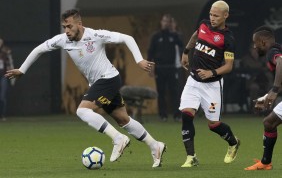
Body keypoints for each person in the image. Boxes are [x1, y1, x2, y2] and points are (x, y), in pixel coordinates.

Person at [5, 9, 166, 168]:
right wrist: (22, 69)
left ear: (79, 24)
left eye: (70, 26)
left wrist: (139, 60)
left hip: (108, 79)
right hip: (101, 83)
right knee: (124, 120)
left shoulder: (96, 35)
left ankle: (118, 139)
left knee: (82, 111)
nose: (67, 31)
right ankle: (155, 145)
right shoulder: (63, 40)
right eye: (64, 27)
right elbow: (39, 49)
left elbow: (127, 38)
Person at [179, 0, 240, 167]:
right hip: (193, 81)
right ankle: (191, 157)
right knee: (186, 115)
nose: (212, 18)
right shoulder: (204, 24)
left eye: (216, 15)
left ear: (225, 16)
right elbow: (195, 35)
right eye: (211, 14)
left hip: (212, 85)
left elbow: (228, 66)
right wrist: (186, 52)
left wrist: (211, 73)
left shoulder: (228, 39)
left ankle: (234, 142)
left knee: (213, 125)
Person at [244, 26, 282, 170]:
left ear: (264, 42)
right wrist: (267, 96)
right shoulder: (277, 49)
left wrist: (274, 90)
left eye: (256, 43)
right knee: (269, 123)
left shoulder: (272, 52)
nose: (254, 46)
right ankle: (266, 162)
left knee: (269, 123)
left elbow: (281, 63)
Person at [147, 14, 184, 122]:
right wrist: (150, 67)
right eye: (164, 21)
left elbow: (182, 45)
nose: (166, 23)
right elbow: (150, 52)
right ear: (161, 22)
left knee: (175, 91)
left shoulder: (174, 35)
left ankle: (177, 115)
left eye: (168, 21)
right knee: (161, 92)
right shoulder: (156, 36)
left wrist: (174, 31)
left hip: (172, 68)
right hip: (160, 68)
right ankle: (163, 115)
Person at [0, 38, 15, 121]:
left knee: (2, 97)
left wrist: (12, 78)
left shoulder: (6, 52)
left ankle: (2, 115)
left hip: (3, 76)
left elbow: (10, 65)